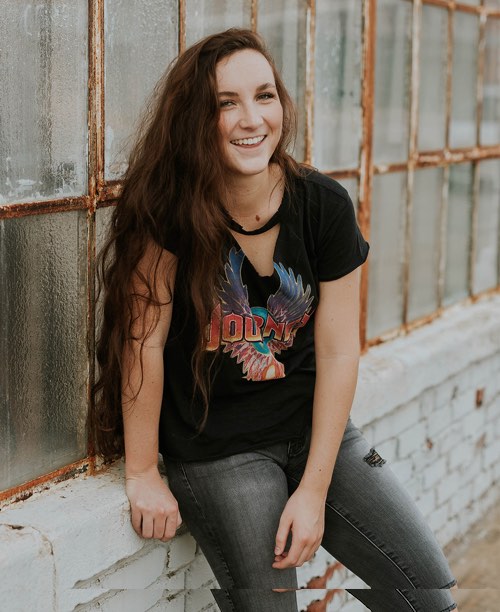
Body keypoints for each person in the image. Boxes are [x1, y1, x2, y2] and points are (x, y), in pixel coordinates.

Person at [90, 28, 458, 612]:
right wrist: (141, 472)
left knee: (426, 592)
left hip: (314, 434)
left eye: (264, 96)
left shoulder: (324, 206)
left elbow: (338, 351)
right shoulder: (167, 215)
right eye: (226, 102)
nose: (251, 118)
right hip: (220, 449)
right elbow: (143, 344)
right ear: (196, 120)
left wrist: (313, 490)